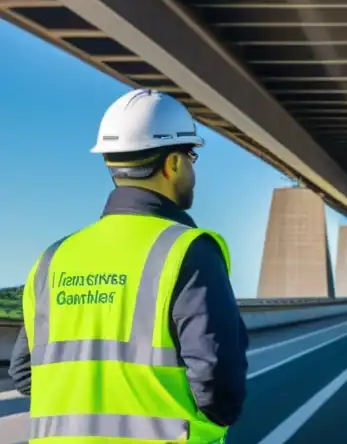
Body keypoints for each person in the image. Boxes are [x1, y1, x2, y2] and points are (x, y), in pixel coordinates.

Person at [7, 89, 249, 442]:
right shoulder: (188, 251)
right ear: (174, 163)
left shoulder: (52, 258)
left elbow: (26, 374)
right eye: (191, 156)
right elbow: (219, 387)